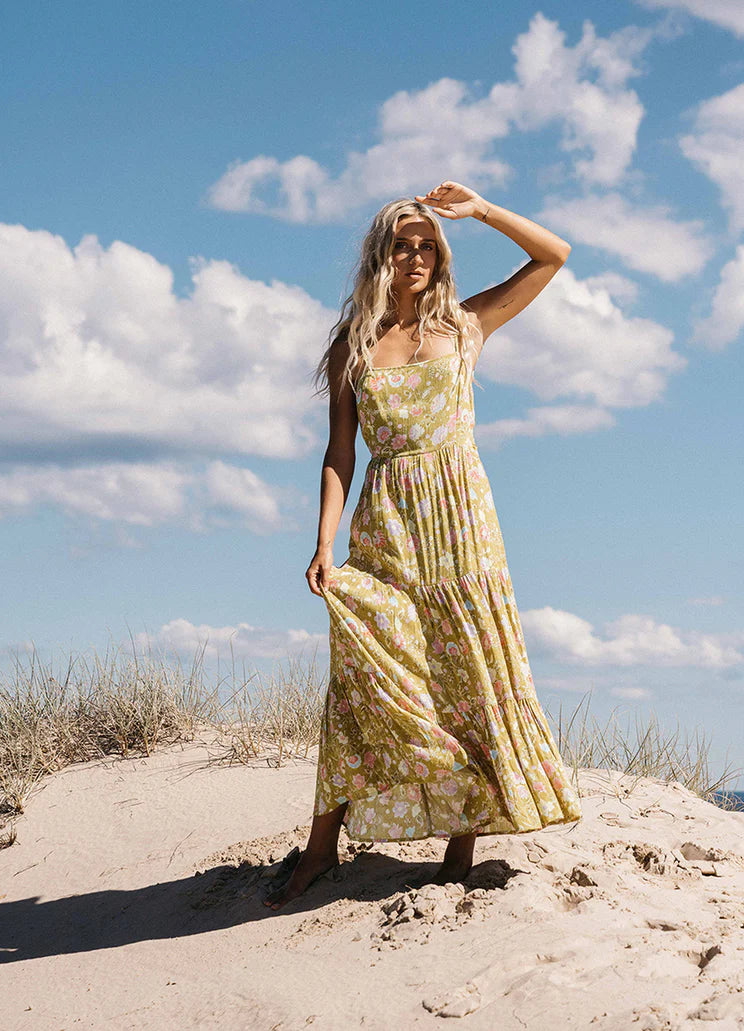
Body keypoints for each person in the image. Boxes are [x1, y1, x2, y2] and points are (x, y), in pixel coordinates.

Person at [264, 180, 582, 912]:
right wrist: (322, 541)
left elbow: (553, 255)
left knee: (467, 669)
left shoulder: (466, 326)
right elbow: (339, 450)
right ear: (381, 255)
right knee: (361, 672)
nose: (414, 256)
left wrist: (481, 211)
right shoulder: (354, 344)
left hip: (462, 521)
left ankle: (460, 848)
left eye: (426, 245)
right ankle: (319, 847)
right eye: (401, 244)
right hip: (388, 522)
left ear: (440, 256)